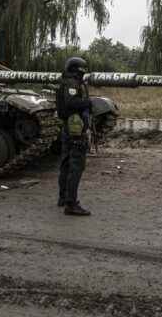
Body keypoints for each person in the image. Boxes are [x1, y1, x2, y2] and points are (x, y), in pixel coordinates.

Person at [56, 57, 92, 216]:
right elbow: (71, 103)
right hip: (75, 129)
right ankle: (71, 204)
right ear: (78, 70)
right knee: (76, 166)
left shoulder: (65, 81)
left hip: (67, 127)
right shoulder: (71, 84)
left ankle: (63, 197)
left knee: (66, 163)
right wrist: (88, 103)